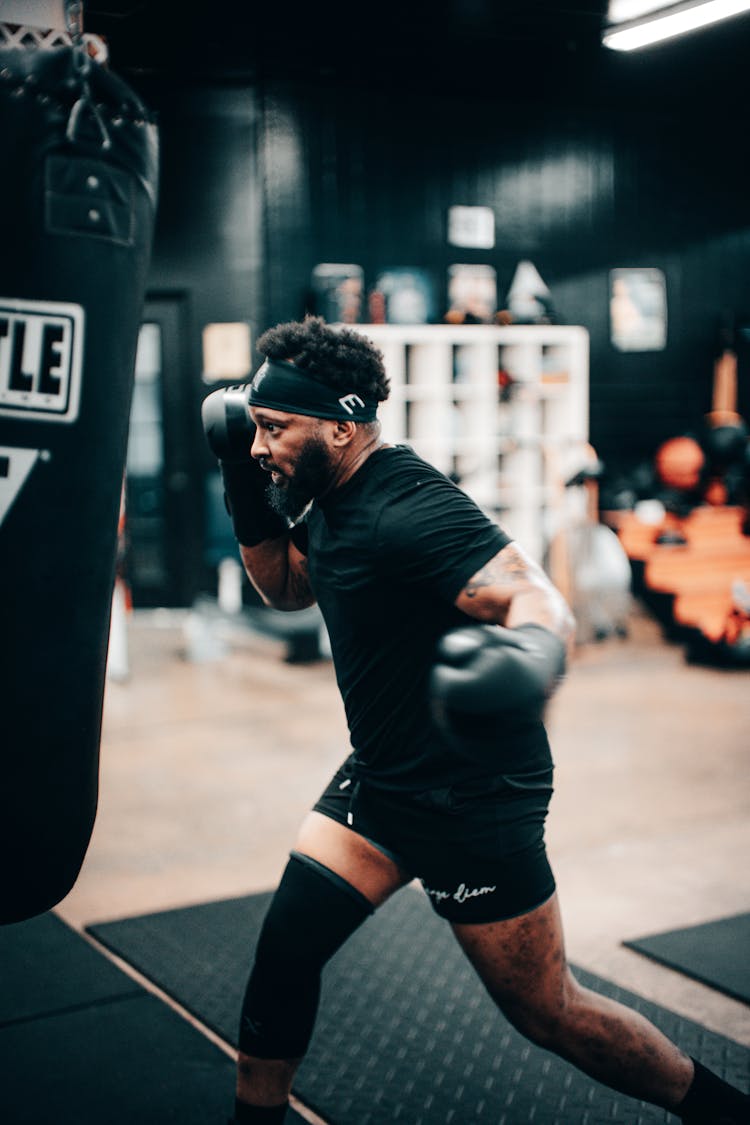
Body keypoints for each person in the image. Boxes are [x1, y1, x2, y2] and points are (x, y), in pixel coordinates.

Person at [202, 316, 750, 1125]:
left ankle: (723, 1109)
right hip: (384, 780)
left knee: (548, 1010)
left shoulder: (411, 505)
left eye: (274, 429)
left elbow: (537, 597)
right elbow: (287, 587)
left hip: (472, 792)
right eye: (255, 428)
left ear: (342, 426)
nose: (259, 445)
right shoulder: (325, 494)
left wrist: (529, 658)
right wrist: (245, 486)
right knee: (285, 952)